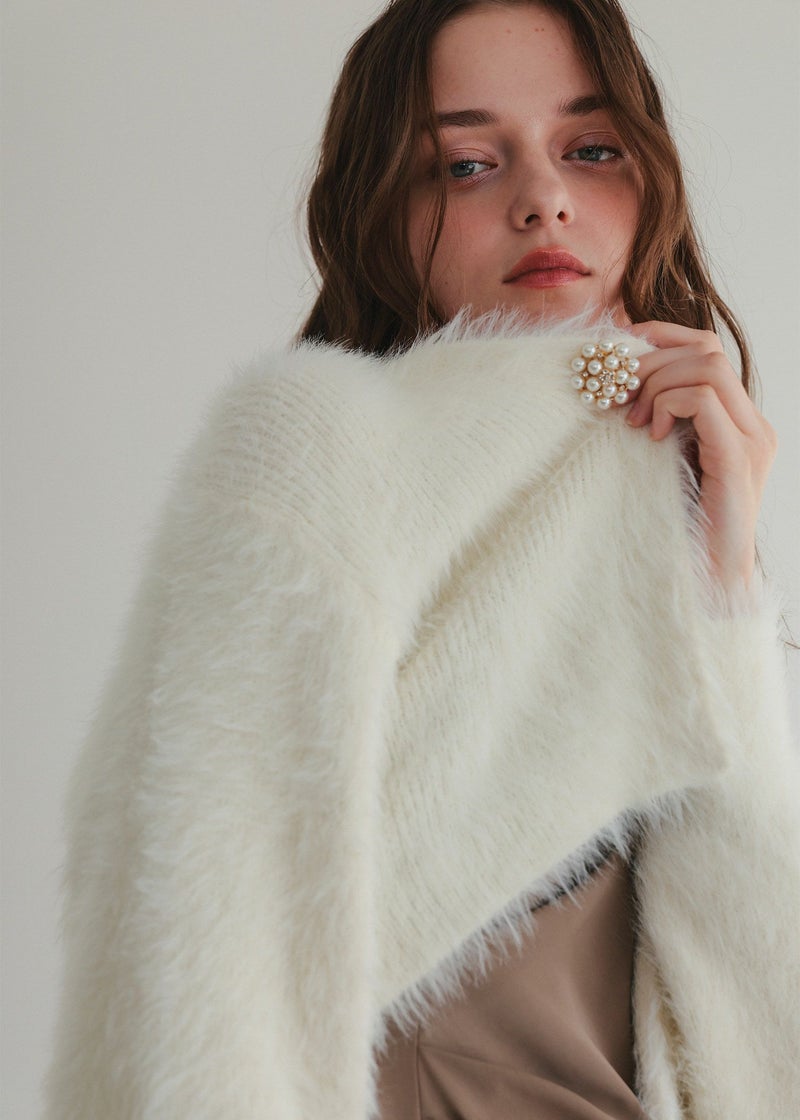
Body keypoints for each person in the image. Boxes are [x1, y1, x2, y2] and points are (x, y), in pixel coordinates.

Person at [42, 2, 799, 1119]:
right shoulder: (308, 461)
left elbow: (755, 1027)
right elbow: (209, 976)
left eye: (591, 148)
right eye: (465, 164)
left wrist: (725, 587)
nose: (542, 199)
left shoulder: (660, 480)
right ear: (383, 215)